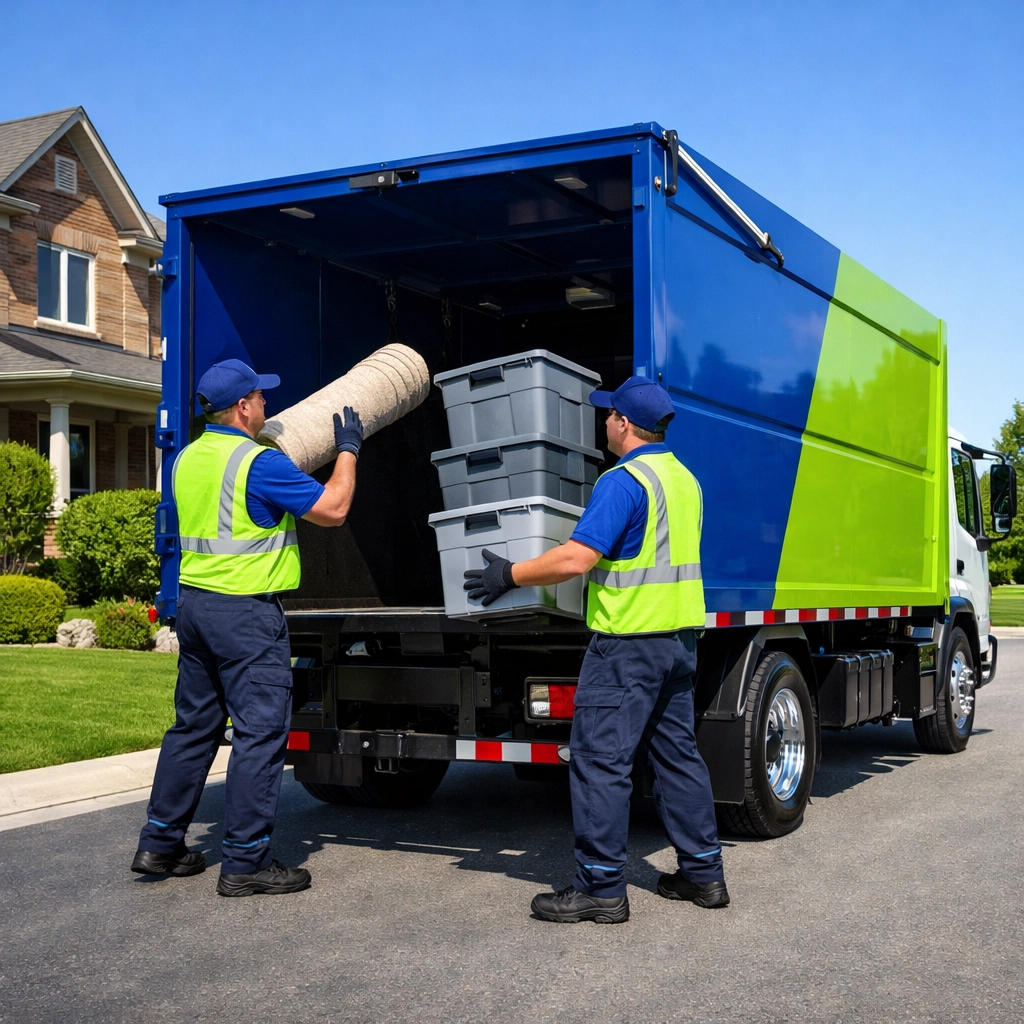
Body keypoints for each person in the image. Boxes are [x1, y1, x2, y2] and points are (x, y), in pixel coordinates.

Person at [464, 376, 727, 923]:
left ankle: (601, 888)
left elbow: (576, 559)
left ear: (625, 424)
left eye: (609, 414)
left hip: (627, 646)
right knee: (677, 759)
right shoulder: (686, 481)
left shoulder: (623, 481)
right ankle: (704, 875)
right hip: (678, 643)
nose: (604, 421)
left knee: (599, 763)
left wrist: (508, 574)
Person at [131, 358, 362, 897]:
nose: (265, 404)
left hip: (196, 608)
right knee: (260, 734)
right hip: (246, 617)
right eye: (260, 397)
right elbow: (333, 509)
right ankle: (245, 862)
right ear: (242, 408)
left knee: (193, 729)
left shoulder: (185, 459)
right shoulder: (258, 462)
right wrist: (348, 450)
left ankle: (160, 843)